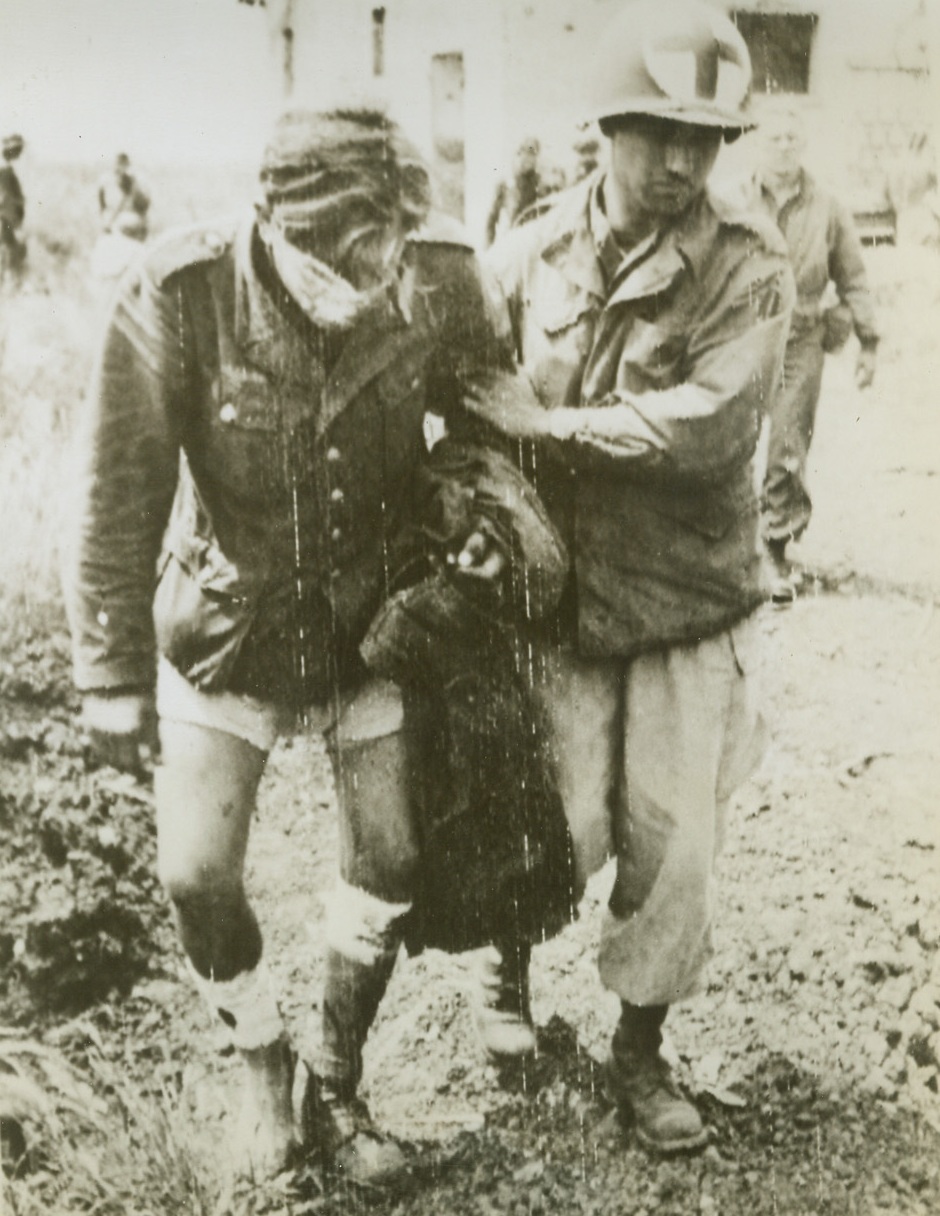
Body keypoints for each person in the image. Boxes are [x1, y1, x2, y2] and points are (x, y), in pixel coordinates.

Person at [64, 107, 540, 1187]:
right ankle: (259, 1054)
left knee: (390, 860)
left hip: (373, 620)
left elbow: (489, 425)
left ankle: (335, 1071)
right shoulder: (178, 291)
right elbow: (116, 491)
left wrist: (472, 511)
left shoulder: (445, 269)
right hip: (228, 623)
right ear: (272, 219)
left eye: (384, 253)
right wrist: (110, 679)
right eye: (336, 256)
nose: (367, 281)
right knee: (193, 872)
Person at [475, 0, 795, 1154]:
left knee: (672, 844)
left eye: (703, 139)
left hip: (683, 598)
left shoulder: (748, 265)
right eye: (656, 130)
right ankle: (507, 977)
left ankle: (638, 1045)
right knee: (544, 815)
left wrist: (548, 431)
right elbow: (466, 401)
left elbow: (708, 425)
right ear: (604, 126)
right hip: (556, 598)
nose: (678, 161)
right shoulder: (520, 256)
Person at [737, 102, 879, 601]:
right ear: (757, 142)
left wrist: (868, 342)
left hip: (801, 339)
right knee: (725, 439)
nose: (782, 148)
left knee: (788, 444)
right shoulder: (731, 200)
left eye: (791, 140)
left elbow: (854, 277)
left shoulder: (828, 207)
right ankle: (728, 551)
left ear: (804, 147)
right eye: (773, 139)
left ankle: (774, 550)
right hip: (739, 335)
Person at [91, 152, 152, 289]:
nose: (121, 171)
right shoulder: (106, 184)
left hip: (133, 239)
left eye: (124, 166)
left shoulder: (137, 185)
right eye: (118, 167)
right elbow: (101, 208)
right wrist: (106, 223)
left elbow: (144, 208)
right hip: (115, 237)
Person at [484, 135, 545, 247]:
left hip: (534, 242)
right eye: (523, 152)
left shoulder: (541, 183)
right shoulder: (504, 185)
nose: (527, 158)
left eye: (532, 154)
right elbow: (491, 220)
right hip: (511, 241)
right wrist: (489, 247)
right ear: (517, 154)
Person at [0, 134, 27, 283]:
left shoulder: (7, 169)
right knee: (7, 249)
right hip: (7, 217)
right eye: (17, 150)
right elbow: (5, 197)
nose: (19, 153)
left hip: (8, 216)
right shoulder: (5, 170)